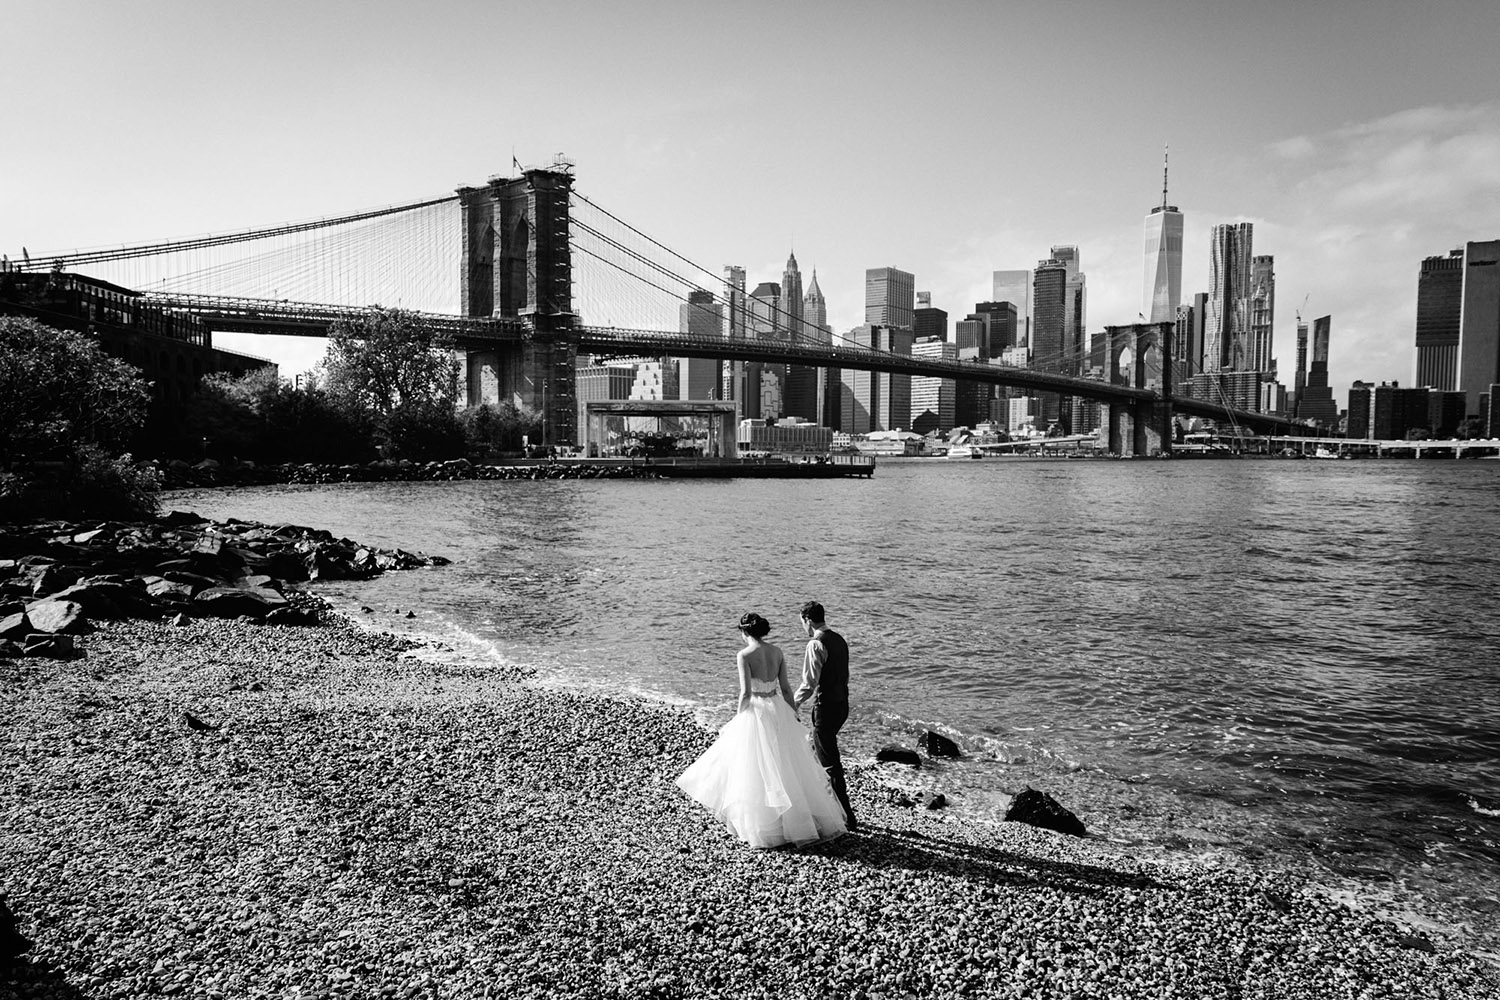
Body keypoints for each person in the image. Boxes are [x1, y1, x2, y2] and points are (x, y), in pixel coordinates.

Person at [676, 613, 848, 848]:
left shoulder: (744, 655)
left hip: (756, 709)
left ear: (744, 632)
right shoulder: (777, 652)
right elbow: (786, 689)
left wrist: (739, 717)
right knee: (785, 763)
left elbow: (745, 693)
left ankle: (767, 826)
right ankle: (799, 822)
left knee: (755, 766)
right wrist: (793, 714)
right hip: (777, 707)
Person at [793, 601, 858, 831]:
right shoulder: (839, 639)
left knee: (830, 763)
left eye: (802, 622)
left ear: (808, 620)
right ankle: (826, 807)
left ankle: (846, 816)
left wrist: (793, 703)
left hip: (826, 707)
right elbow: (845, 675)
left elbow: (809, 683)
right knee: (820, 751)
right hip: (842, 705)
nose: (802, 626)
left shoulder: (815, 644)